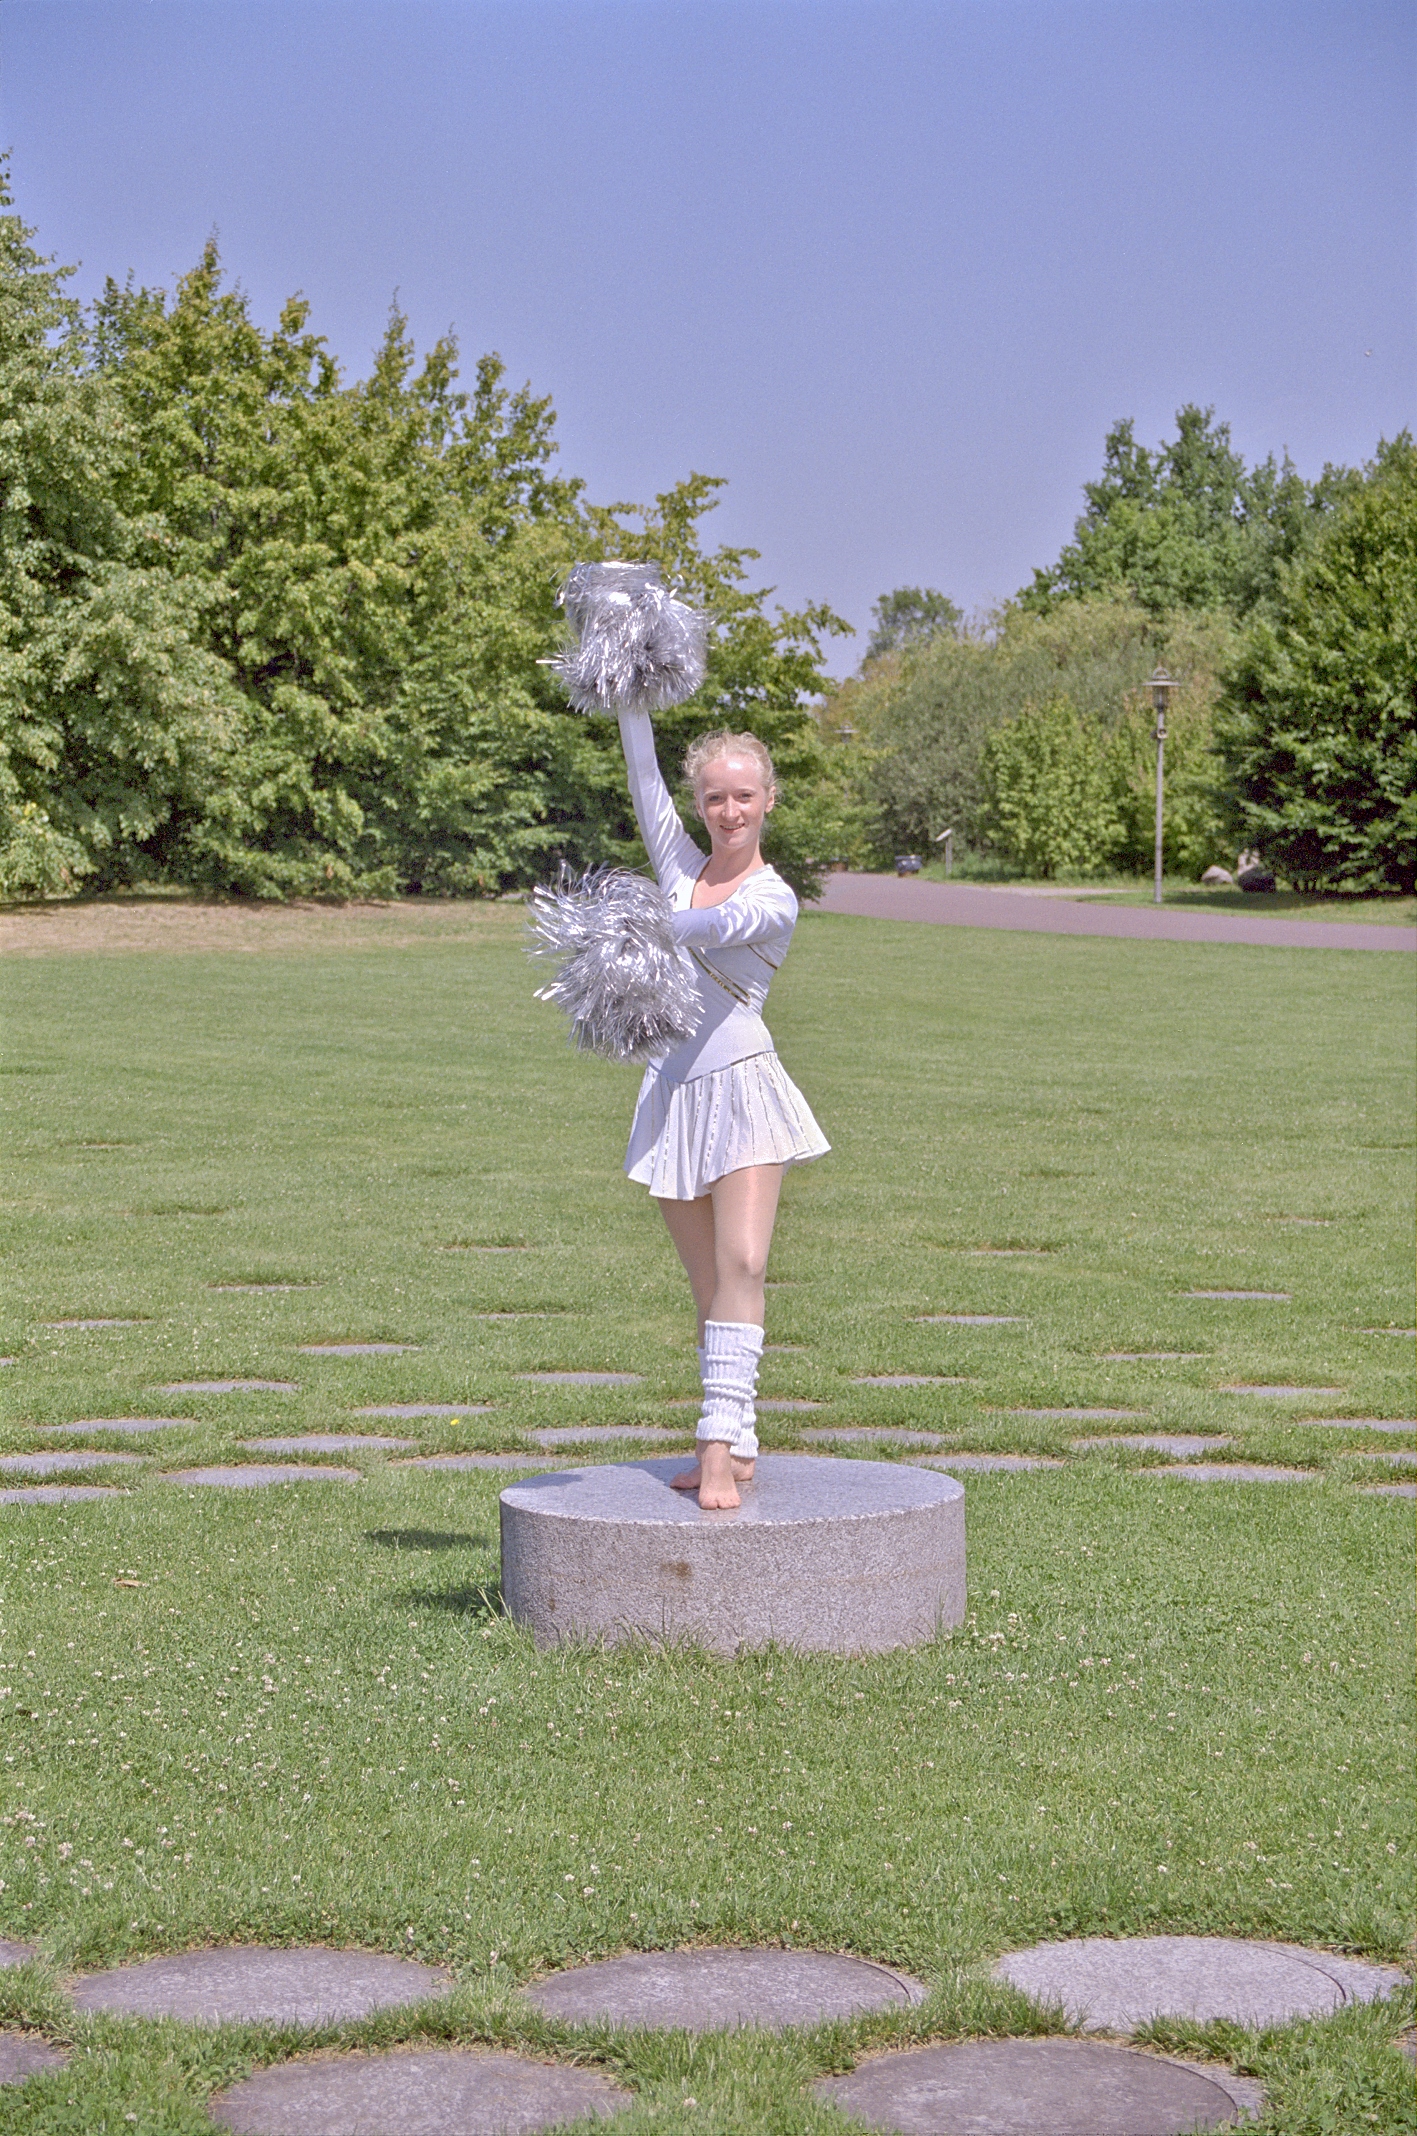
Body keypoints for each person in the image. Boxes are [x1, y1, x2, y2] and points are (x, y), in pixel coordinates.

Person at [617, 705, 829, 1508]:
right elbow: (642, 778)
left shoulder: (775, 897)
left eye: (744, 795)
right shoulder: (679, 865)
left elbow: (711, 925)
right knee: (709, 1286)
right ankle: (739, 1441)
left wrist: (636, 928)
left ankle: (713, 1445)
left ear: (769, 799)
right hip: (671, 1093)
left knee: (743, 1263)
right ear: (698, 803)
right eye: (714, 797)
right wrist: (628, 689)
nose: (729, 811)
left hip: (743, 1088)